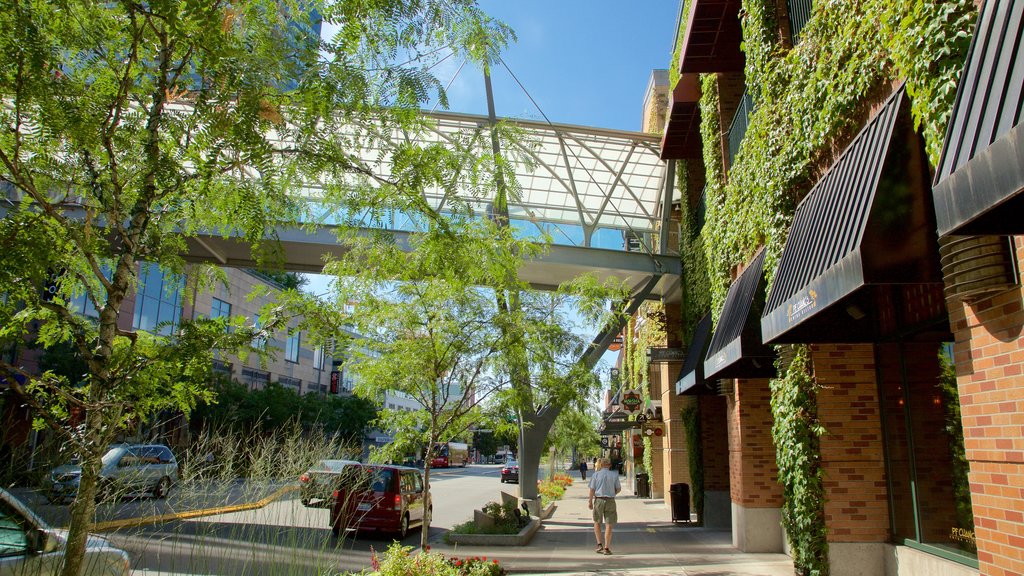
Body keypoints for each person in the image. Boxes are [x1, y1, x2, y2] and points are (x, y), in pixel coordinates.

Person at [588, 457, 621, 555]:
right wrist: (612, 493)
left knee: (597, 522)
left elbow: (592, 490)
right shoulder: (614, 475)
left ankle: (599, 544)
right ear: (609, 465)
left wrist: (590, 501)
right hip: (610, 500)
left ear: (601, 465)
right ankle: (607, 548)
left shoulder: (596, 475)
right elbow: (618, 488)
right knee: (609, 524)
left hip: (599, 500)